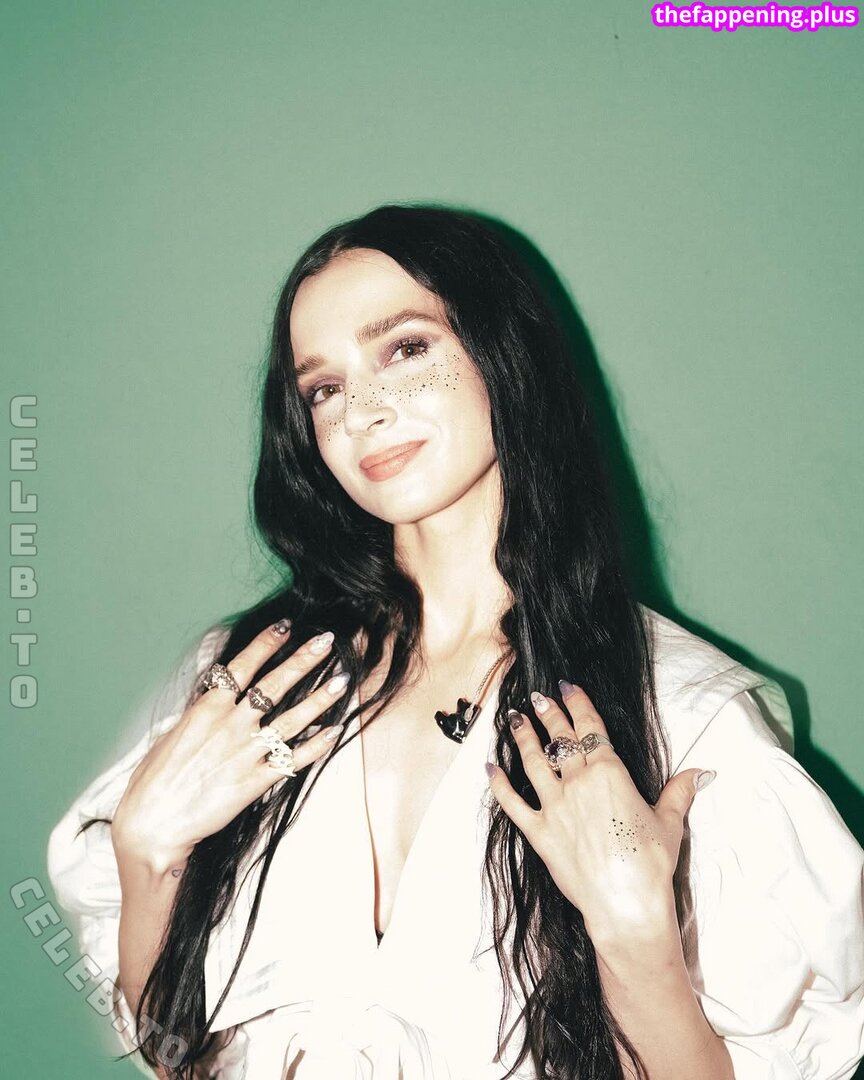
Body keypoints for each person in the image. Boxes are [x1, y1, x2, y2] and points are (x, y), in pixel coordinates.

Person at [47, 204, 864, 1080]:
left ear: (502, 354)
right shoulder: (244, 682)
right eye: (322, 388)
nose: (361, 411)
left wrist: (636, 940)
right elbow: (174, 1056)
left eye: (405, 349)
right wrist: (145, 854)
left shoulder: (680, 716)